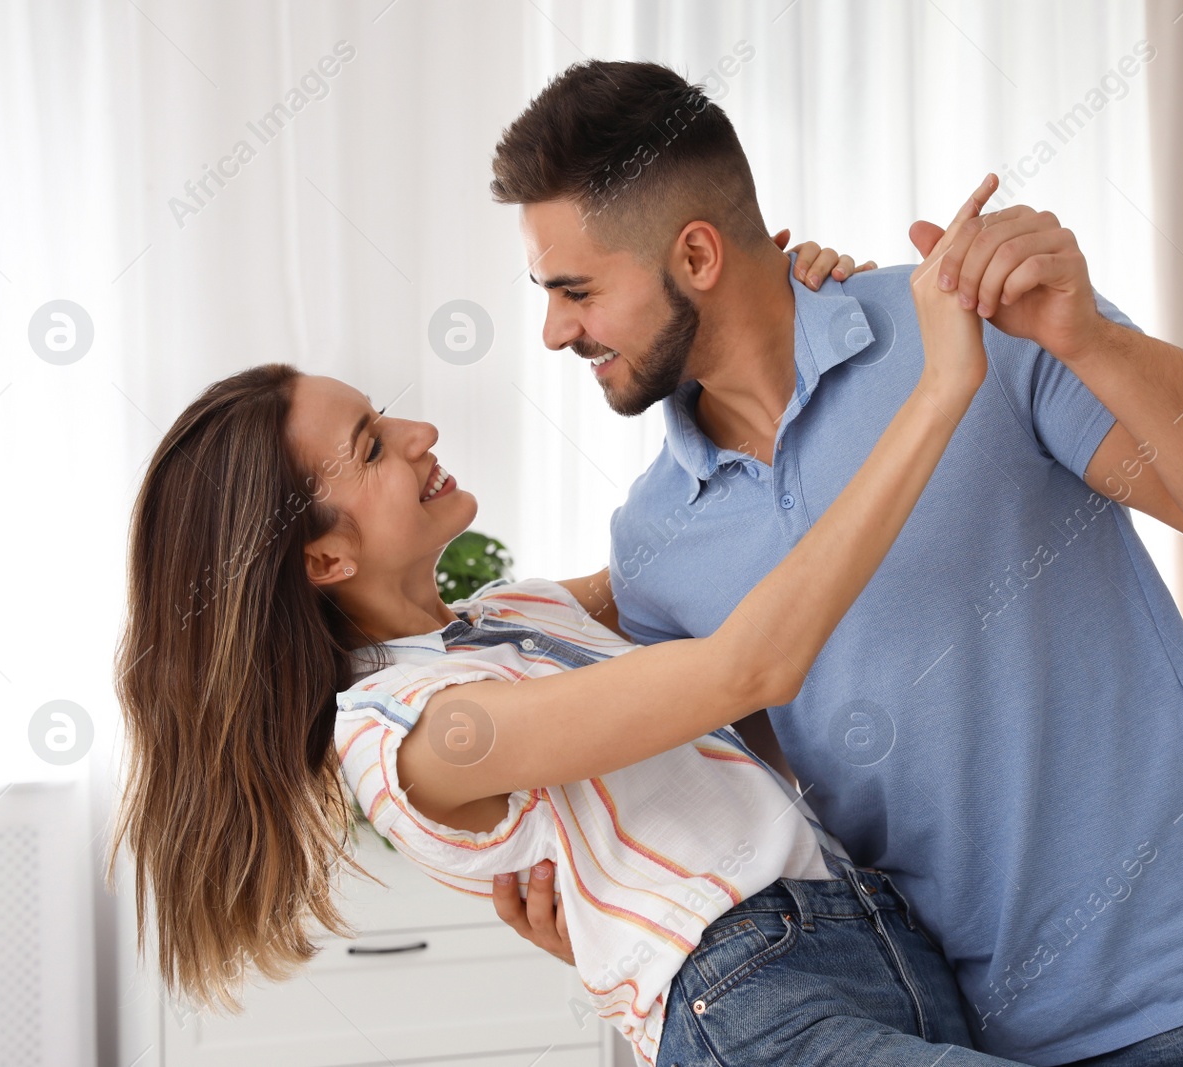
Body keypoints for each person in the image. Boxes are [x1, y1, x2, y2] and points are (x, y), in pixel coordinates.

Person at [488, 60, 1183, 1066]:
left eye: (575, 290)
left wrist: (1087, 338)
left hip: (1176, 1005)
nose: (554, 329)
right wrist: (620, 916)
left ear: (696, 254)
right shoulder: (655, 542)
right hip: (924, 1027)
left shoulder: (977, 328)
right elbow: (768, 832)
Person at [110, 204, 1037, 1065]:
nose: (421, 431)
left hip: (876, 943)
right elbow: (748, 662)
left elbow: (715, 539)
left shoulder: (514, 617)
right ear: (322, 560)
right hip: (763, 1001)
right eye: (370, 445)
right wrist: (941, 384)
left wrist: (773, 332)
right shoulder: (412, 734)